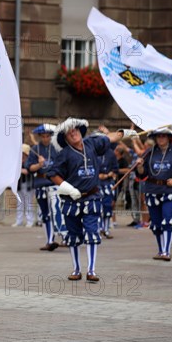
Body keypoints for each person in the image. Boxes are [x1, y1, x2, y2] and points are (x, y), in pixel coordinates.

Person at [47, 118, 126, 282]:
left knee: (92, 233)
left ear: (80, 131)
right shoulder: (64, 154)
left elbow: (109, 138)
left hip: (92, 197)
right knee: (74, 236)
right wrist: (69, 189)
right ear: (66, 138)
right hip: (71, 200)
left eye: (75, 129)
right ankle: (76, 269)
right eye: (69, 132)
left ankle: (92, 270)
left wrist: (123, 133)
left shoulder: (91, 143)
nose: (73, 132)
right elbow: (53, 174)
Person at [135, 127, 172, 261]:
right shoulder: (150, 152)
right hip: (153, 190)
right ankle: (160, 250)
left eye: (164, 136)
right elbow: (142, 174)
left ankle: (166, 251)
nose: (161, 139)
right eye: (159, 136)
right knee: (157, 223)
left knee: (169, 220)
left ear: (169, 137)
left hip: (171, 190)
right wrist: (140, 166)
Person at [27, 124, 64, 251]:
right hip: (41, 184)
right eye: (43, 136)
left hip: (54, 184)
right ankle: (49, 240)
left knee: (57, 211)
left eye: (47, 136)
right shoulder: (35, 149)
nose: (45, 139)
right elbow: (29, 168)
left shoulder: (57, 149)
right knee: (45, 213)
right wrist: (39, 164)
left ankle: (64, 235)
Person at [96, 135, 119, 239]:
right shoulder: (92, 152)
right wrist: (98, 175)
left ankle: (106, 229)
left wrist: (111, 174)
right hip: (96, 184)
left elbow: (115, 169)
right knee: (97, 207)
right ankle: (98, 229)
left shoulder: (111, 153)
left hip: (107, 184)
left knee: (107, 206)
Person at [14, 144, 35, 227]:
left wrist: (19, 170)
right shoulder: (18, 161)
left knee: (28, 203)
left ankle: (30, 221)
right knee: (19, 203)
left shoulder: (29, 161)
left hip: (28, 184)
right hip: (19, 184)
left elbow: (27, 171)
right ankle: (18, 221)